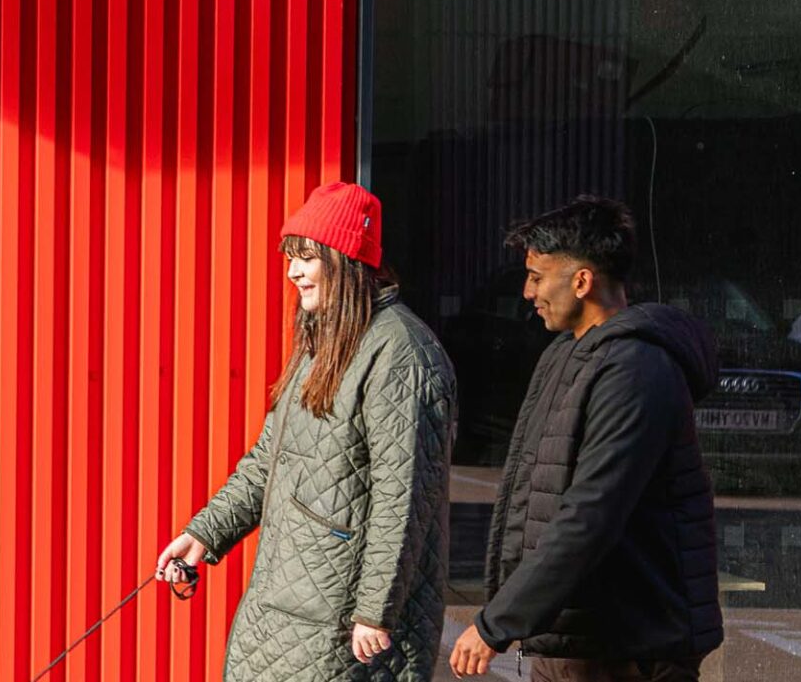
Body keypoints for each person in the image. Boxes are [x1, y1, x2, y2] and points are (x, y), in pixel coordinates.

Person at [157, 182, 456, 680]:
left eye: (307, 257)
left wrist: (373, 610)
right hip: (292, 595)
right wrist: (204, 534)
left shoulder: (400, 352)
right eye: (291, 257)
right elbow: (270, 457)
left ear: (347, 259)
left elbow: (404, 495)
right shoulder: (329, 338)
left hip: (343, 615)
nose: (293, 271)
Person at [449, 196, 721, 682]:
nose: (528, 292)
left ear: (581, 280)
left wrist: (498, 623)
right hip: (579, 640)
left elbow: (591, 512)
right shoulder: (567, 354)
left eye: (537, 277)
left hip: (630, 647)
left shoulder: (637, 368)